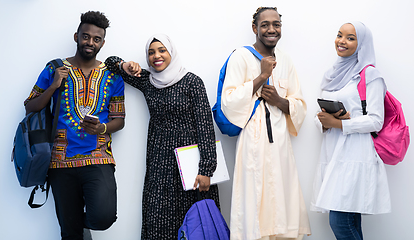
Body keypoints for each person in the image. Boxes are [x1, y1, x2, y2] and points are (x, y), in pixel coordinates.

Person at [105, 33, 220, 239]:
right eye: (151, 52)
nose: (156, 56)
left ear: (171, 52)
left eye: (161, 50)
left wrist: (206, 169)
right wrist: (125, 65)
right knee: (159, 218)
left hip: (191, 166)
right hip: (160, 163)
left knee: (195, 222)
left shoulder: (191, 82)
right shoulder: (148, 81)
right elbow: (110, 63)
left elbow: (205, 128)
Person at [24, 11, 125, 240]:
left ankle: (78, 222)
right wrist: (53, 87)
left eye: (96, 39)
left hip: (98, 158)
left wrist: (102, 129)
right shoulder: (54, 68)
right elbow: (30, 106)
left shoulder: (112, 76)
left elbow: (119, 120)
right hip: (60, 161)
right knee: (70, 234)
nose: (90, 42)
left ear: (102, 43)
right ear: (76, 36)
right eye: (86, 36)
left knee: (104, 217)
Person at [221, 7, 311, 240]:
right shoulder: (240, 56)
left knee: (282, 198)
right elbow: (228, 102)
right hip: (252, 140)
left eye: (276, 24)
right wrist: (261, 77)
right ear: (255, 28)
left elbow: (299, 103)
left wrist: (280, 101)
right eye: (265, 25)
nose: (271, 29)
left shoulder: (286, 59)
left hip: (280, 141)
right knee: (254, 196)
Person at [311, 22, 391, 240]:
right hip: (333, 153)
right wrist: (325, 121)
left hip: (356, 155)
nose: (342, 41)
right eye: (339, 35)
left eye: (350, 38)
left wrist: (341, 123)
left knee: (340, 222)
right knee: (350, 221)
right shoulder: (332, 74)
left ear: (362, 43)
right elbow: (320, 118)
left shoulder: (370, 75)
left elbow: (376, 121)